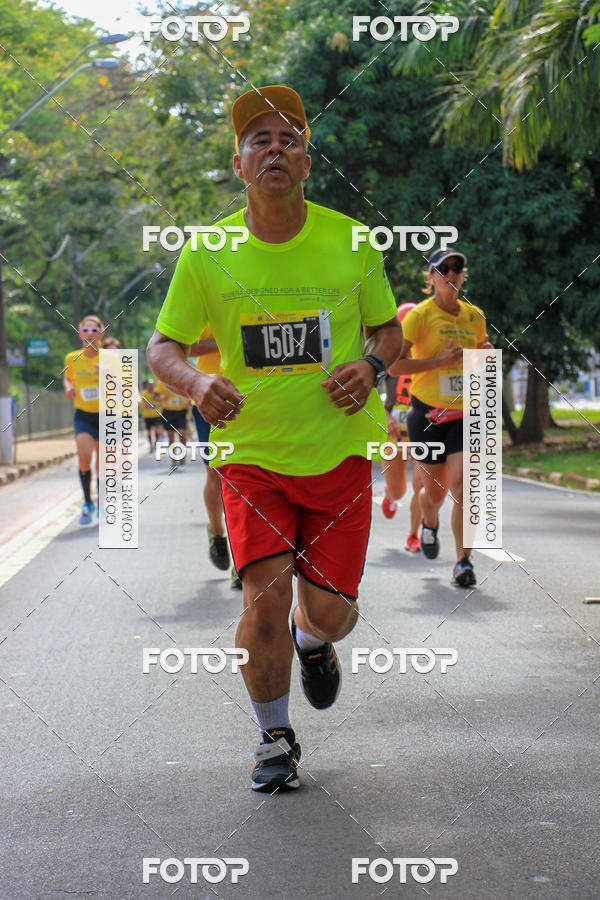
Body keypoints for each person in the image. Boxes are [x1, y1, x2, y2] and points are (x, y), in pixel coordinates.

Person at [147, 85, 402, 792]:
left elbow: (389, 328)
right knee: (261, 599)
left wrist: (372, 363)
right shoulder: (209, 252)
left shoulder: (352, 241)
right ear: (239, 163)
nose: (274, 148)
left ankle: (315, 642)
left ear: (307, 162)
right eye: (259, 139)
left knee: (330, 613)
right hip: (251, 457)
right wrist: (196, 385)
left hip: (339, 456)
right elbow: (162, 344)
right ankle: (274, 737)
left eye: (288, 137)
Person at [389, 248, 492, 587]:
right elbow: (395, 365)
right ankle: (429, 522)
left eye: (458, 267)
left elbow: (483, 354)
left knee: (466, 489)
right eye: (443, 268)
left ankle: (463, 562)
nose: (452, 272)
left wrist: (485, 355)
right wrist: (438, 363)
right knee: (433, 494)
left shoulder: (475, 316)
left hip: (466, 414)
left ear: (463, 276)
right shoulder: (418, 316)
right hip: (428, 415)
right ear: (430, 277)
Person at [188, 329, 235, 579]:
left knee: (247, 472)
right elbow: (186, 346)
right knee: (216, 473)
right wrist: (226, 339)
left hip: (253, 396)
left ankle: (242, 559)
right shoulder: (202, 297)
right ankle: (217, 532)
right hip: (210, 399)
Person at [381, 302, 422, 552]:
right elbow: (370, 392)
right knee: (399, 489)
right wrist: (385, 414)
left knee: (422, 485)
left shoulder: (430, 355)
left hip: (422, 427)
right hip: (394, 430)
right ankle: (391, 496)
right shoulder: (385, 356)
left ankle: (414, 535)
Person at [64, 314, 103, 525]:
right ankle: (87, 502)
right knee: (84, 457)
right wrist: (69, 387)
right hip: (83, 416)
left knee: (103, 465)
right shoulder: (72, 358)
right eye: (86, 330)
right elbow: (67, 377)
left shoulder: (110, 358)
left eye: (94, 330)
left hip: (106, 415)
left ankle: (103, 502)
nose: (90, 334)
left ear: (101, 334)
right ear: (80, 334)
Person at [158, 383, 189, 469]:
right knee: (170, 437)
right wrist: (162, 398)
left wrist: (188, 401)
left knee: (182, 435)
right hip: (168, 412)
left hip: (181, 411)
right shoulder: (161, 382)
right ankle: (174, 459)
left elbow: (189, 392)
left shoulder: (181, 379)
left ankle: (182, 454)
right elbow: (155, 397)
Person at [139, 378, 165, 453]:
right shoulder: (143, 394)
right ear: (147, 386)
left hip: (156, 415)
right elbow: (140, 404)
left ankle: (156, 443)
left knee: (157, 430)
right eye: (149, 385)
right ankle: (151, 445)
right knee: (149, 432)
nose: (151, 386)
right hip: (147, 416)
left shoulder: (157, 393)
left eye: (152, 385)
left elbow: (162, 401)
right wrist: (146, 406)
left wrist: (157, 404)